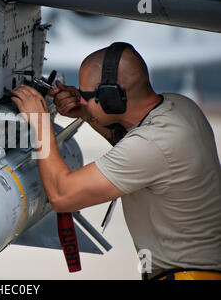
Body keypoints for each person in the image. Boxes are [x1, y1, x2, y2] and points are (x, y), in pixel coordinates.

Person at [11, 42, 221, 280]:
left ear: (110, 98)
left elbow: (62, 195)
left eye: (85, 95)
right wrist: (85, 111)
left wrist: (40, 122)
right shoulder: (179, 107)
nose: (80, 98)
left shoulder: (153, 144)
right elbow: (129, 142)